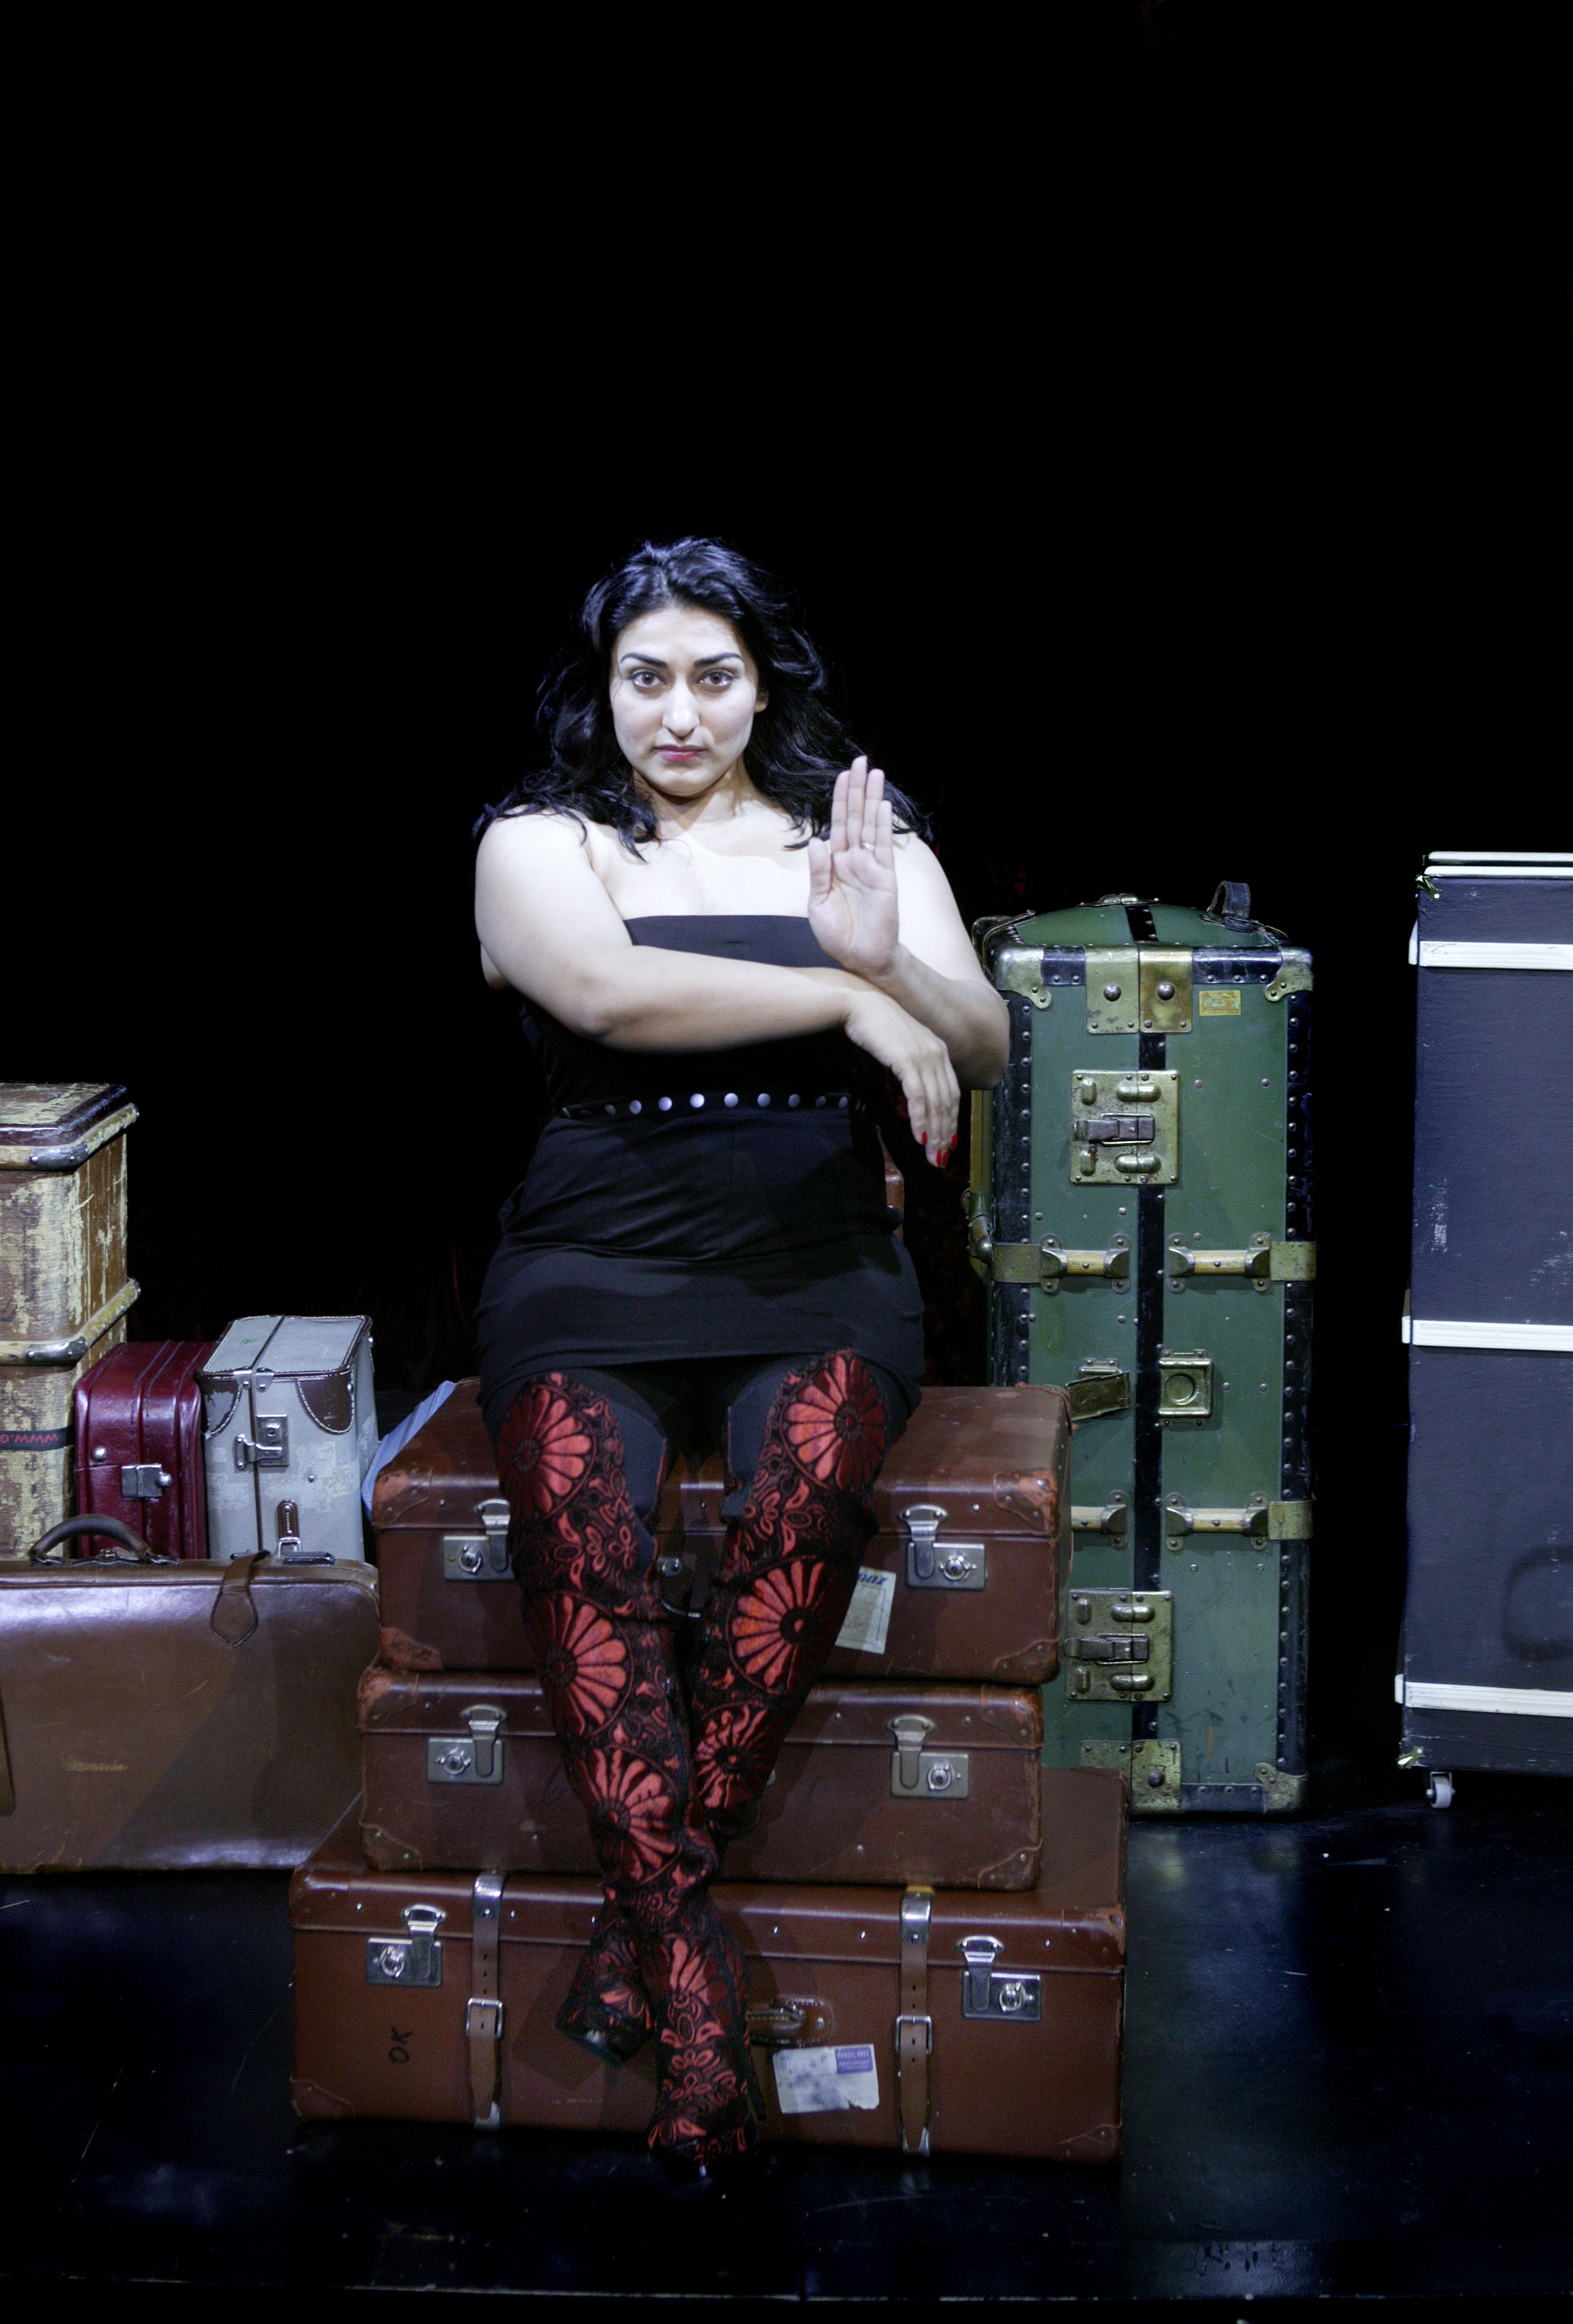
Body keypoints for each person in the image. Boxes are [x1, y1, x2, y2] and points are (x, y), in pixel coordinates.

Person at [473, 538, 1009, 2170]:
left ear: (760, 686)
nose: (679, 713)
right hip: (593, 1259)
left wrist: (887, 961)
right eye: (645, 678)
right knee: (582, 1542)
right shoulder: (541, 840)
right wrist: (841, 1005)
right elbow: (605, 994)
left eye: (713, 677)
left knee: (798, 1514)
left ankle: (640, 1930)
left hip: (817, 1263)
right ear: (604, 690)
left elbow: (986, 1041)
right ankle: (698, 2013)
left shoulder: (856, 844)